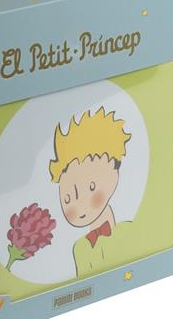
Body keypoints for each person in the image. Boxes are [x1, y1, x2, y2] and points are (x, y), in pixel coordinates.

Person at [49, 107, 132, 278]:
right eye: (67, 199)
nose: (80, 207)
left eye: (91, 187)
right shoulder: (80, 250)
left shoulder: (128, 230)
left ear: (114, 167)